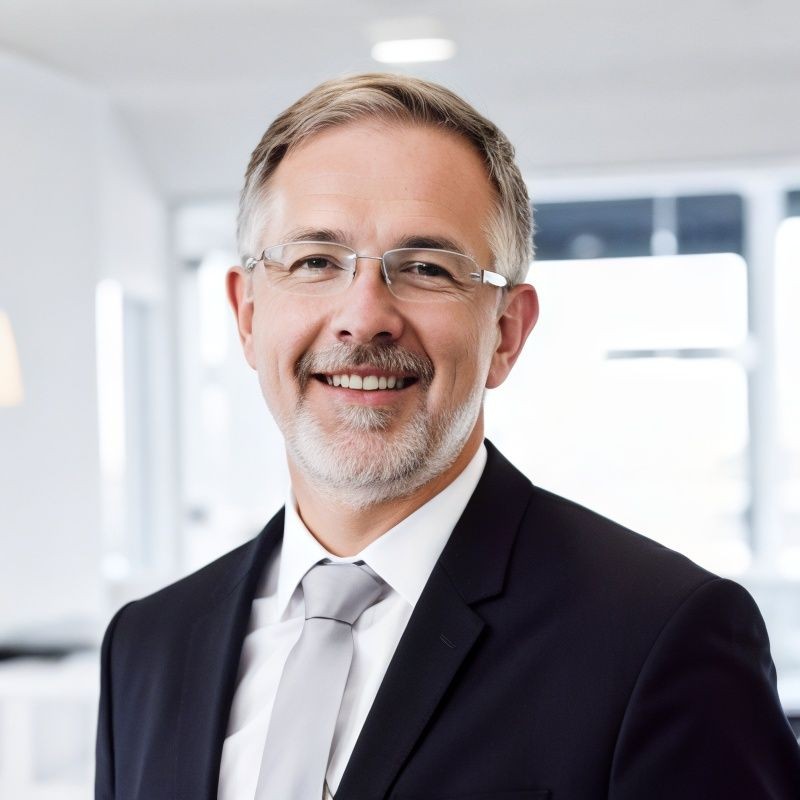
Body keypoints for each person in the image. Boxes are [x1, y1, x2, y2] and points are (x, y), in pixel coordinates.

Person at [95, 73, 800, 800]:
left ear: (506, 332)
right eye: (315, 262)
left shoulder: (659, 638)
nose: (363, 316)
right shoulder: (148, 646)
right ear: (247, 315)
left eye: (426, 268)